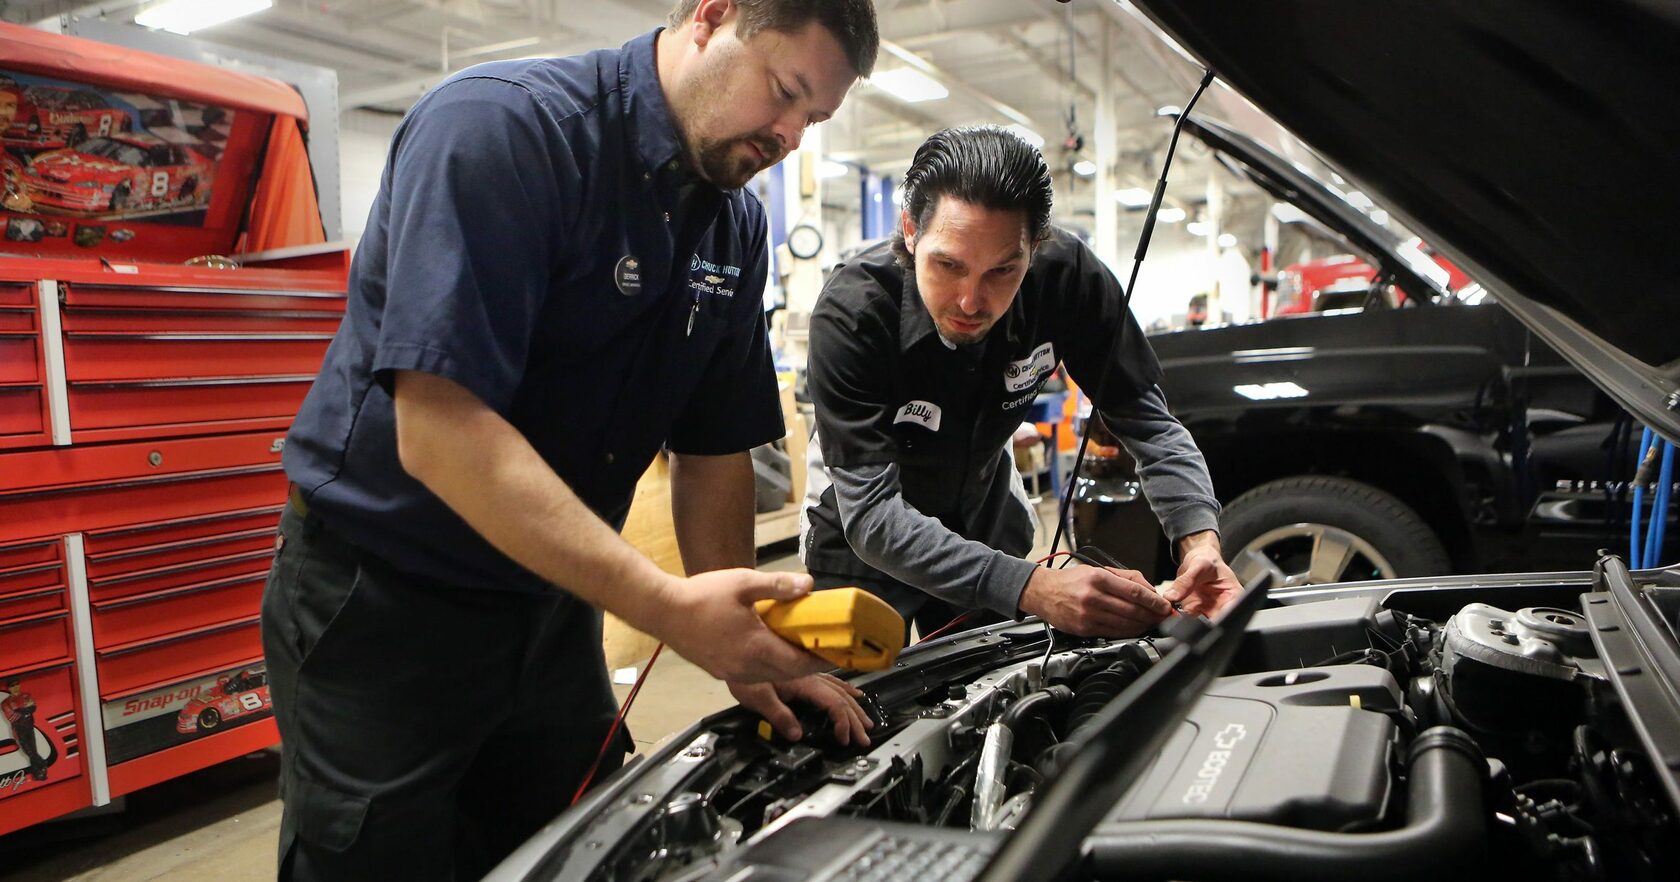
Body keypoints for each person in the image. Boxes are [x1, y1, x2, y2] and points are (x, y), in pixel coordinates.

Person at [262, 1, 879, 878]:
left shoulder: (734, 227)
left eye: (812, 119)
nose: (788, 136)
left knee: (577, 848)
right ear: (711, 17)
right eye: (783, 92)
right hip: (384, 605)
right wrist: (669, 611)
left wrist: (750, 639)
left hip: (549, 603)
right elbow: (439, 432)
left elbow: (713, 451)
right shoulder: (502, 131)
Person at [801, 125, 1241, 641]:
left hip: (985, 509)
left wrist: (1200, 543)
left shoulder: (1069, 280)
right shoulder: (854, 312)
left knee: (992, 691)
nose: (970, 300)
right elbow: (873, 514)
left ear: (1036, 246)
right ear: (911, 230)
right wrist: (1034, 586)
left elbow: (1151, 425)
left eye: (1002, 271)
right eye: (949, 265)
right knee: (850, 703)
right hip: (862, 529)